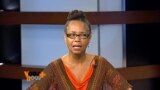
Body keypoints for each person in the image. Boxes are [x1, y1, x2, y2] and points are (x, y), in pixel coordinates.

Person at [27, 10, 132, 90]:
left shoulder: (101, 64)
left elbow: (126, 88)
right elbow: (34, 83)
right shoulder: (54, 68)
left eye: (82, 35)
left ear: (89, 38)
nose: (77, 39)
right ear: (65, 38)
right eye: (72, 35)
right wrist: (30, 75)